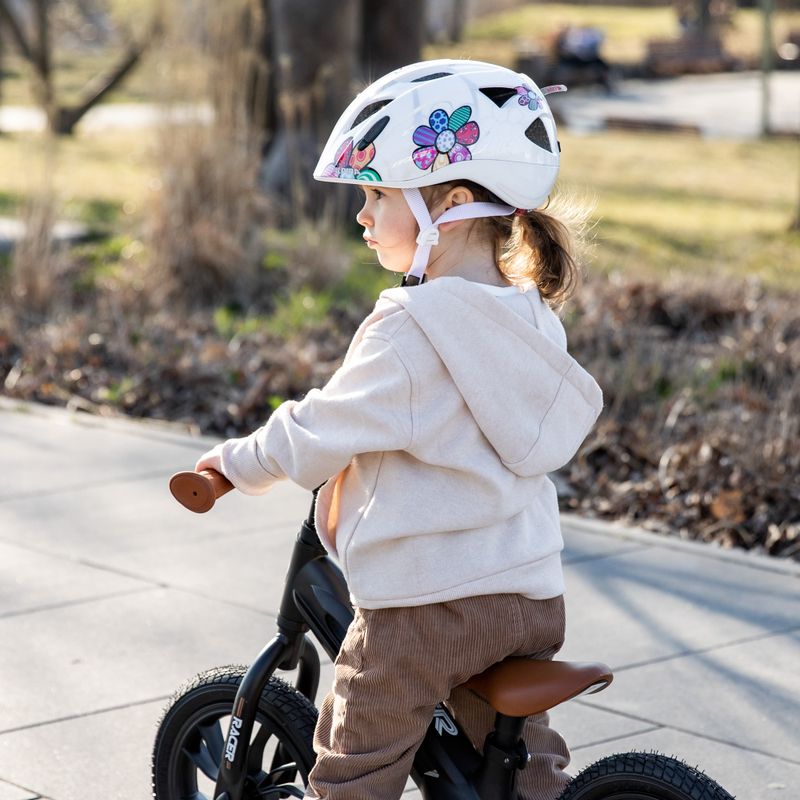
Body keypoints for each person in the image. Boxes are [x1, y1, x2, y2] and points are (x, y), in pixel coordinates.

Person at [196, 59, 603, 800]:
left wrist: (236, 465)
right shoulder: (532, 317)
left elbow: (321, 428)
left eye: (378, 193)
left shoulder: (411, 328)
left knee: (358, 753)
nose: (361, 214)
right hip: (531, 596)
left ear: (447, 206)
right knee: (514, 763)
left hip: (430, 607)